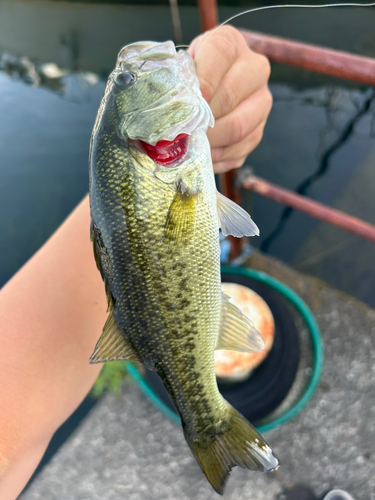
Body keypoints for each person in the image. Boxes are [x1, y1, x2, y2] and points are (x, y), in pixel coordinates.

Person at [0, 26, 272, 499]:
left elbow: (132, 224)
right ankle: (208, 423)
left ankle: (207, 423)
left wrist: (201, 143)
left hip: (163, 187)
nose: (130, 69)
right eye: (127, 82)